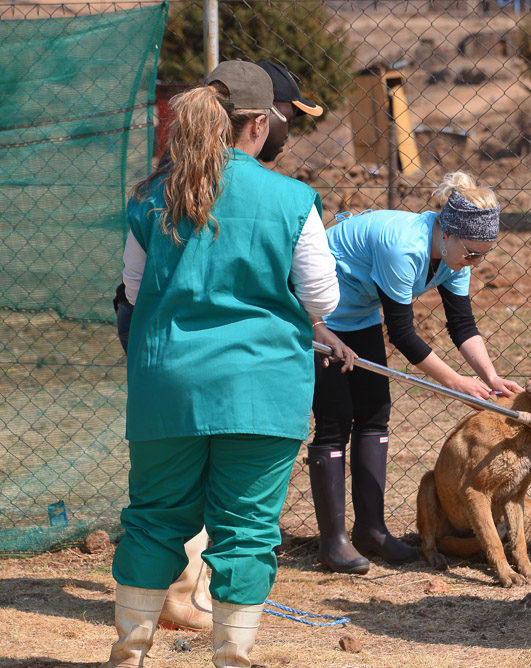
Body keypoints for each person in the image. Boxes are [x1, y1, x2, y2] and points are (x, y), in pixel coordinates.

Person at [102, 60, 353, 668]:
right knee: (246, 530)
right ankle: (232, 659)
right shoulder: (292, 198)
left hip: (167, 386)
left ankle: (129, 654)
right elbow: (323, 300)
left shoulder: (151, 195)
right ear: (259, 124)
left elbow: (135, 291)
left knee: (154, 519)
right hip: (260, 391)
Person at [308, 171, 524, 574]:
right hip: (320, 314)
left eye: (483, 255)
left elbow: (461, 324)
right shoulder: (404, 248)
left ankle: (370, 530)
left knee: (374, 413)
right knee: (335, 418)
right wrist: (456, 382)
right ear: (448, 233)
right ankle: (332, 543)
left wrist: (490, 377)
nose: (475, 262)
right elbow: (404, 335)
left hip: (358, 314)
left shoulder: (456, 254)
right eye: (473, 253)